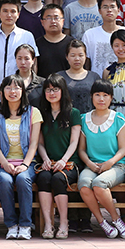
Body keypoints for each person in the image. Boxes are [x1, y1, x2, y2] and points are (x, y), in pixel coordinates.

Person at [77, 79, 125, 239]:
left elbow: (123, 149)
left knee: (99, 184)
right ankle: (102, 222)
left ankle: (116, 219)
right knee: (84, 184)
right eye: (97, 95)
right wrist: (89, 164)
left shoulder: (119, 119)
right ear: (91, 97)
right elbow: (81, 150)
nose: (101, 99)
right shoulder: (83, 119)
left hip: (116, 166)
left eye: (105, 95)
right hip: (92, 165)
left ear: (111, 97)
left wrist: (110, 162)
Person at [0, 75, 41, 239]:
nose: (12, 91)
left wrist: (24, 165)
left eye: (16, 88)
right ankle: (11, 225)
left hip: (28, 162)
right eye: (8, 88)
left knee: (23, 179)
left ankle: (25, 225)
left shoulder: (33, 113)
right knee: (5, 181)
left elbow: (34, 144)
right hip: (4, 163)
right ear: (2, 92)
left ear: (23, 91)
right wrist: (5, 164)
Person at [35, 75, 82, 239]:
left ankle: (63, 223)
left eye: (55, 89)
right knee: (43, 178)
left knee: (58, 179)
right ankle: (48, 224)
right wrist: (45, 159)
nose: (52, 93)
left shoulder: (73, 113)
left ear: (63, 91)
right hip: (48, 162)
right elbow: (39, 143)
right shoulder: (41, 114)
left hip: (70, 163)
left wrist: (63, 160)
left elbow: (74, 142)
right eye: (48, 90)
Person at [0, 0, 37, 85]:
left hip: (19, 89)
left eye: (13, 11)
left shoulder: (27, 36)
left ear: (18, 14)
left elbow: (33, 64)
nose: (9, 15)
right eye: (5, 11)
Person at [82, 0, 125, 77]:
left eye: (112, 7)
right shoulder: (89, 34)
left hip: (123, 79)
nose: (109, 10)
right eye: (105, 7)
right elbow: (86, 62)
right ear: (99, 11)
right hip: (97, 81)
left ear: (118, 10)